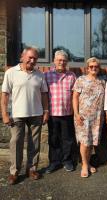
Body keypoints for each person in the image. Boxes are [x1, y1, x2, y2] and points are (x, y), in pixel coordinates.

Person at [1, 47, 49, 185]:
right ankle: (14, 171)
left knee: (35, 143)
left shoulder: (40, 74)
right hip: (17, 114)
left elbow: (44, 94)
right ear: (22, 57)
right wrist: (4, 113)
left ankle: (32, 169)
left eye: (35, 58)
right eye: (30, 57)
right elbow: (4, 94)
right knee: (16, 142)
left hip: (36, 113)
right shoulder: (11, 73)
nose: (32, 60)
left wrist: (46, 111)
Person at [44, 50, 77, 173]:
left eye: (64, 60)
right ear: (54, 61)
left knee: (67, 139)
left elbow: (75, 95)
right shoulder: (47, 75)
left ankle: (67, 161)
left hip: (67, 113)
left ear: (67, 62)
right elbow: (44, 94)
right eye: (59, 60)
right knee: (53, 139)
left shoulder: (72, 76)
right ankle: (54, 162)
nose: (61, 62)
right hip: (52, 113)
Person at [73, 57, 105, 178]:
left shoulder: (102, 81)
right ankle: (84, 165)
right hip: (83, 117)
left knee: (91, 142)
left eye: (96, 66)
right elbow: (75, 97)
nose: (93, 68)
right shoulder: (81, 80)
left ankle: (88, 162)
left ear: (99, 68)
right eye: (91, 66)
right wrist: (76, 114)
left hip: (97, 118)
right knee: (85, 142)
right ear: (87, 68)